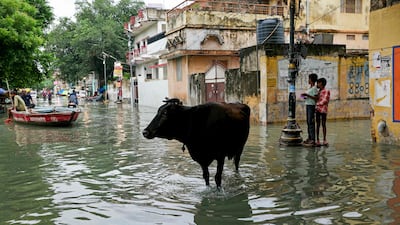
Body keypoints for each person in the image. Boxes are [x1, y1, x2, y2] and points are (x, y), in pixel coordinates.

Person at [301, 73, 319, 146]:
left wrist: (307, 95)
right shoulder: (310, 88)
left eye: (309, 79)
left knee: (311, 122)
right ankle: (309, 137)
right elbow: (308, 97)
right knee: (308, 122)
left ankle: (312, 139)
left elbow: (316, 98)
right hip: (308, 105)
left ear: (311, 80)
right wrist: (304, 97)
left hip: (311, 106)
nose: (308, 80)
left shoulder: (314, 88)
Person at [316, 78, 330, 146]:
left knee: (323, 124)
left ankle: (324, 139)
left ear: (321, 83)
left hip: (323, 109)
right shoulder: (318, 91)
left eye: (318, 83)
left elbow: (325, 100)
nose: (317, 84)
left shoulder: (326, 91)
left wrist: (317, 104)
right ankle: (318, 139)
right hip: (318, 109)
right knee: (318, 124)